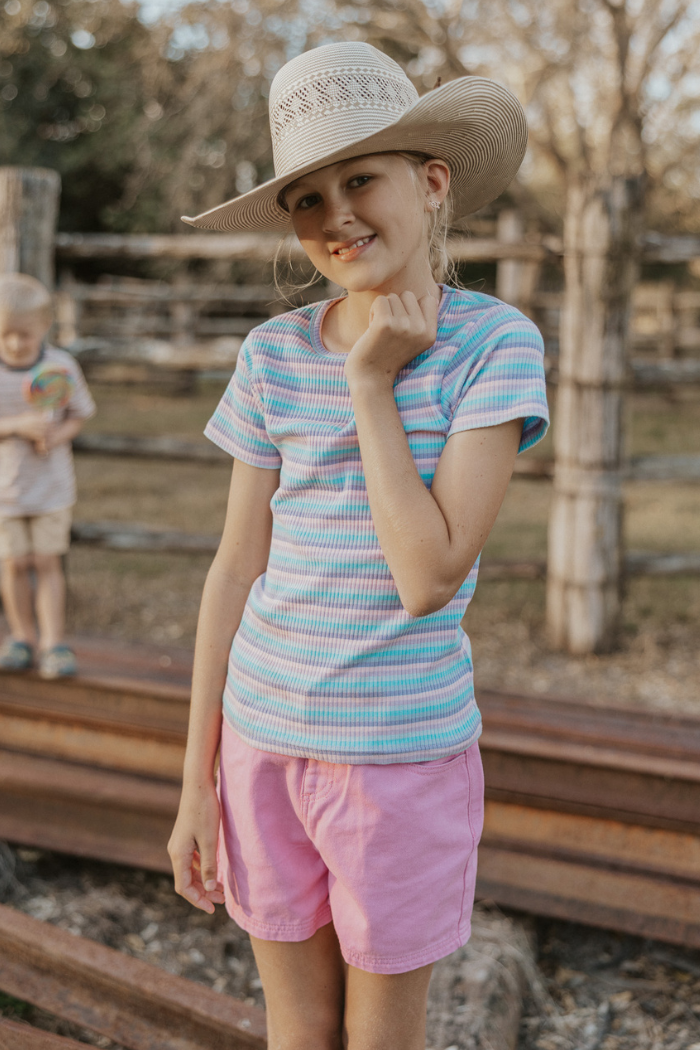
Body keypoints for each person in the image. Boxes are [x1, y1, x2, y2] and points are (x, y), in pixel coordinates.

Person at [168, 42, 549, 1050]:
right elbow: (234, 569)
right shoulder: (272, 354)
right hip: (259, 741)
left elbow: (427, 575)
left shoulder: (491, 346)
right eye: (306, 195)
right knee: (299, 1031)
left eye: (361, 179)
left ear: (430, 185)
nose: (334, 214)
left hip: (396, 760)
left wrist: (373, 384)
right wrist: (195, 779)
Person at [0, 273, 95, 678]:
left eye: (25, 334)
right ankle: (21, 636)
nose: (16, 343)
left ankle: (54, 643)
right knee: (14, 564)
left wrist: (57, 433)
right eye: (6, 335)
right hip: (4, 493)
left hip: (51, 490)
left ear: (43, 327)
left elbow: (80, 414)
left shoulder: (60, 367)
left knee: (46, 561)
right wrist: (18, 425)